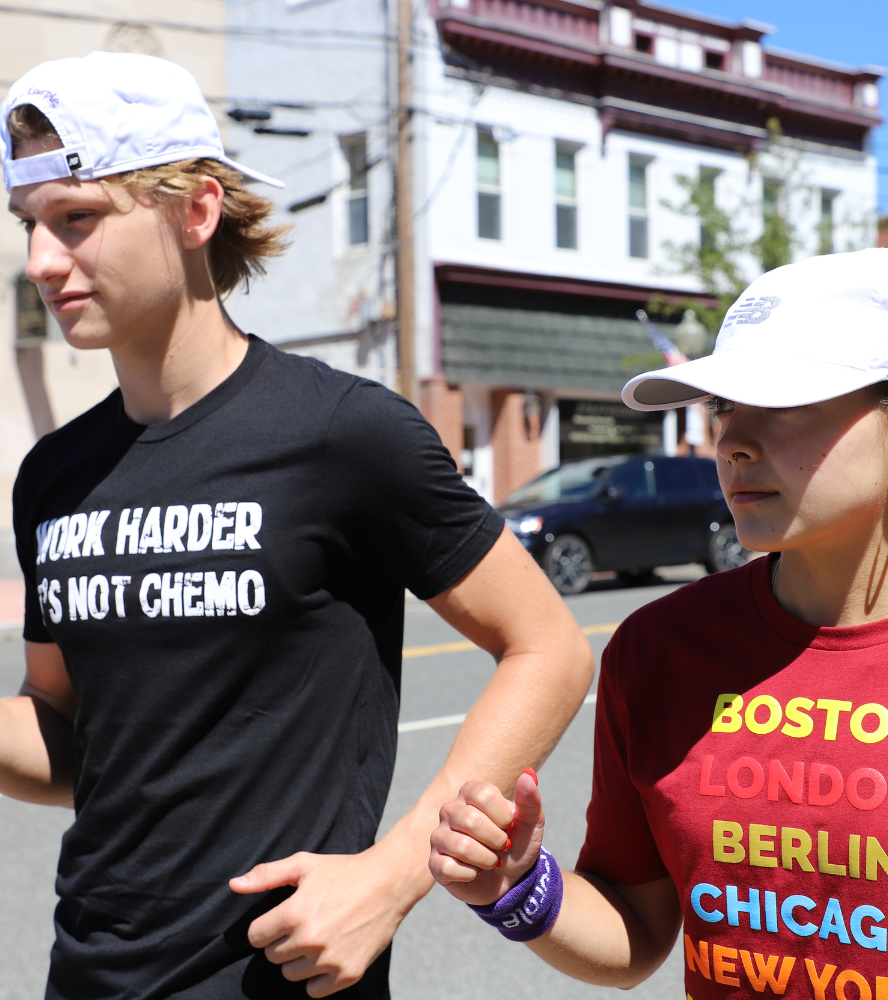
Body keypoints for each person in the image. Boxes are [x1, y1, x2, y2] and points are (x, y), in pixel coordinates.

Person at [0, 52, 594, 1000]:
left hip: (285, 982)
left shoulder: (343, 433)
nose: (39, 261)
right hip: (87, 973)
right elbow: (74, 741)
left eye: (78, 219)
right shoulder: (52, 477)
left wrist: (395, 877)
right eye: (30, 225)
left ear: (194, 211)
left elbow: (550, 649)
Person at [429, 248, 888, 998]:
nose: (731, 440)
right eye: (724, 406)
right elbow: (636, 926)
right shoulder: (658, 650)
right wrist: (518, 889)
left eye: (786, 403)